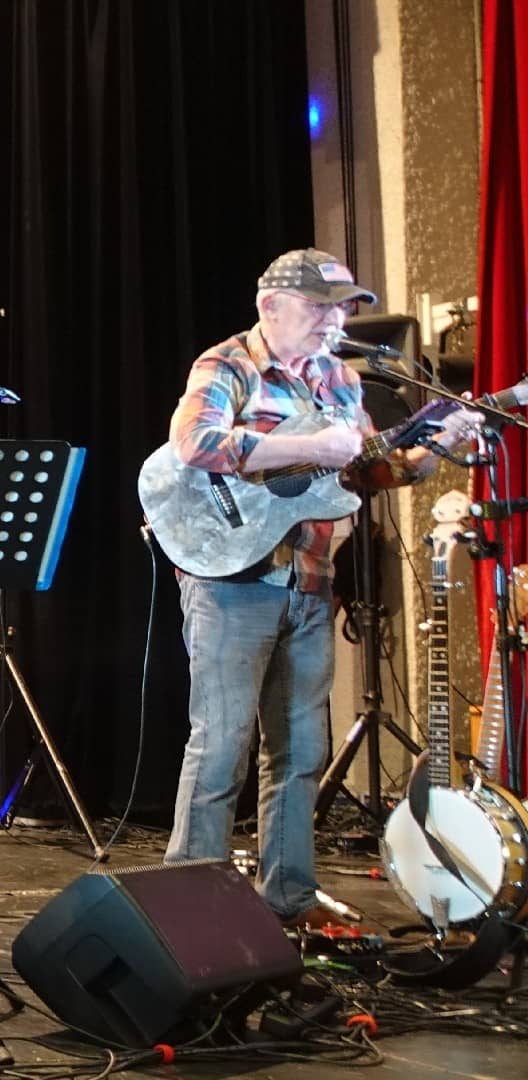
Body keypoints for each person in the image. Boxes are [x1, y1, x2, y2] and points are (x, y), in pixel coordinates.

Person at [162, 248, 483, 928]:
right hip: (231, 579)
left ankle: (288, 904)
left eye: (341, 308)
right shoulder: (228, 365)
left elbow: (368, 470)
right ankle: (189, 915)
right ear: (270, 307)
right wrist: (303, 449)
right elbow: (194, 444)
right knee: (221, 747)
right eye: (319, 307)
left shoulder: (338, 377)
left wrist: (438, 447)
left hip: (309, 580)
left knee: (302, 753)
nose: (333, 321)